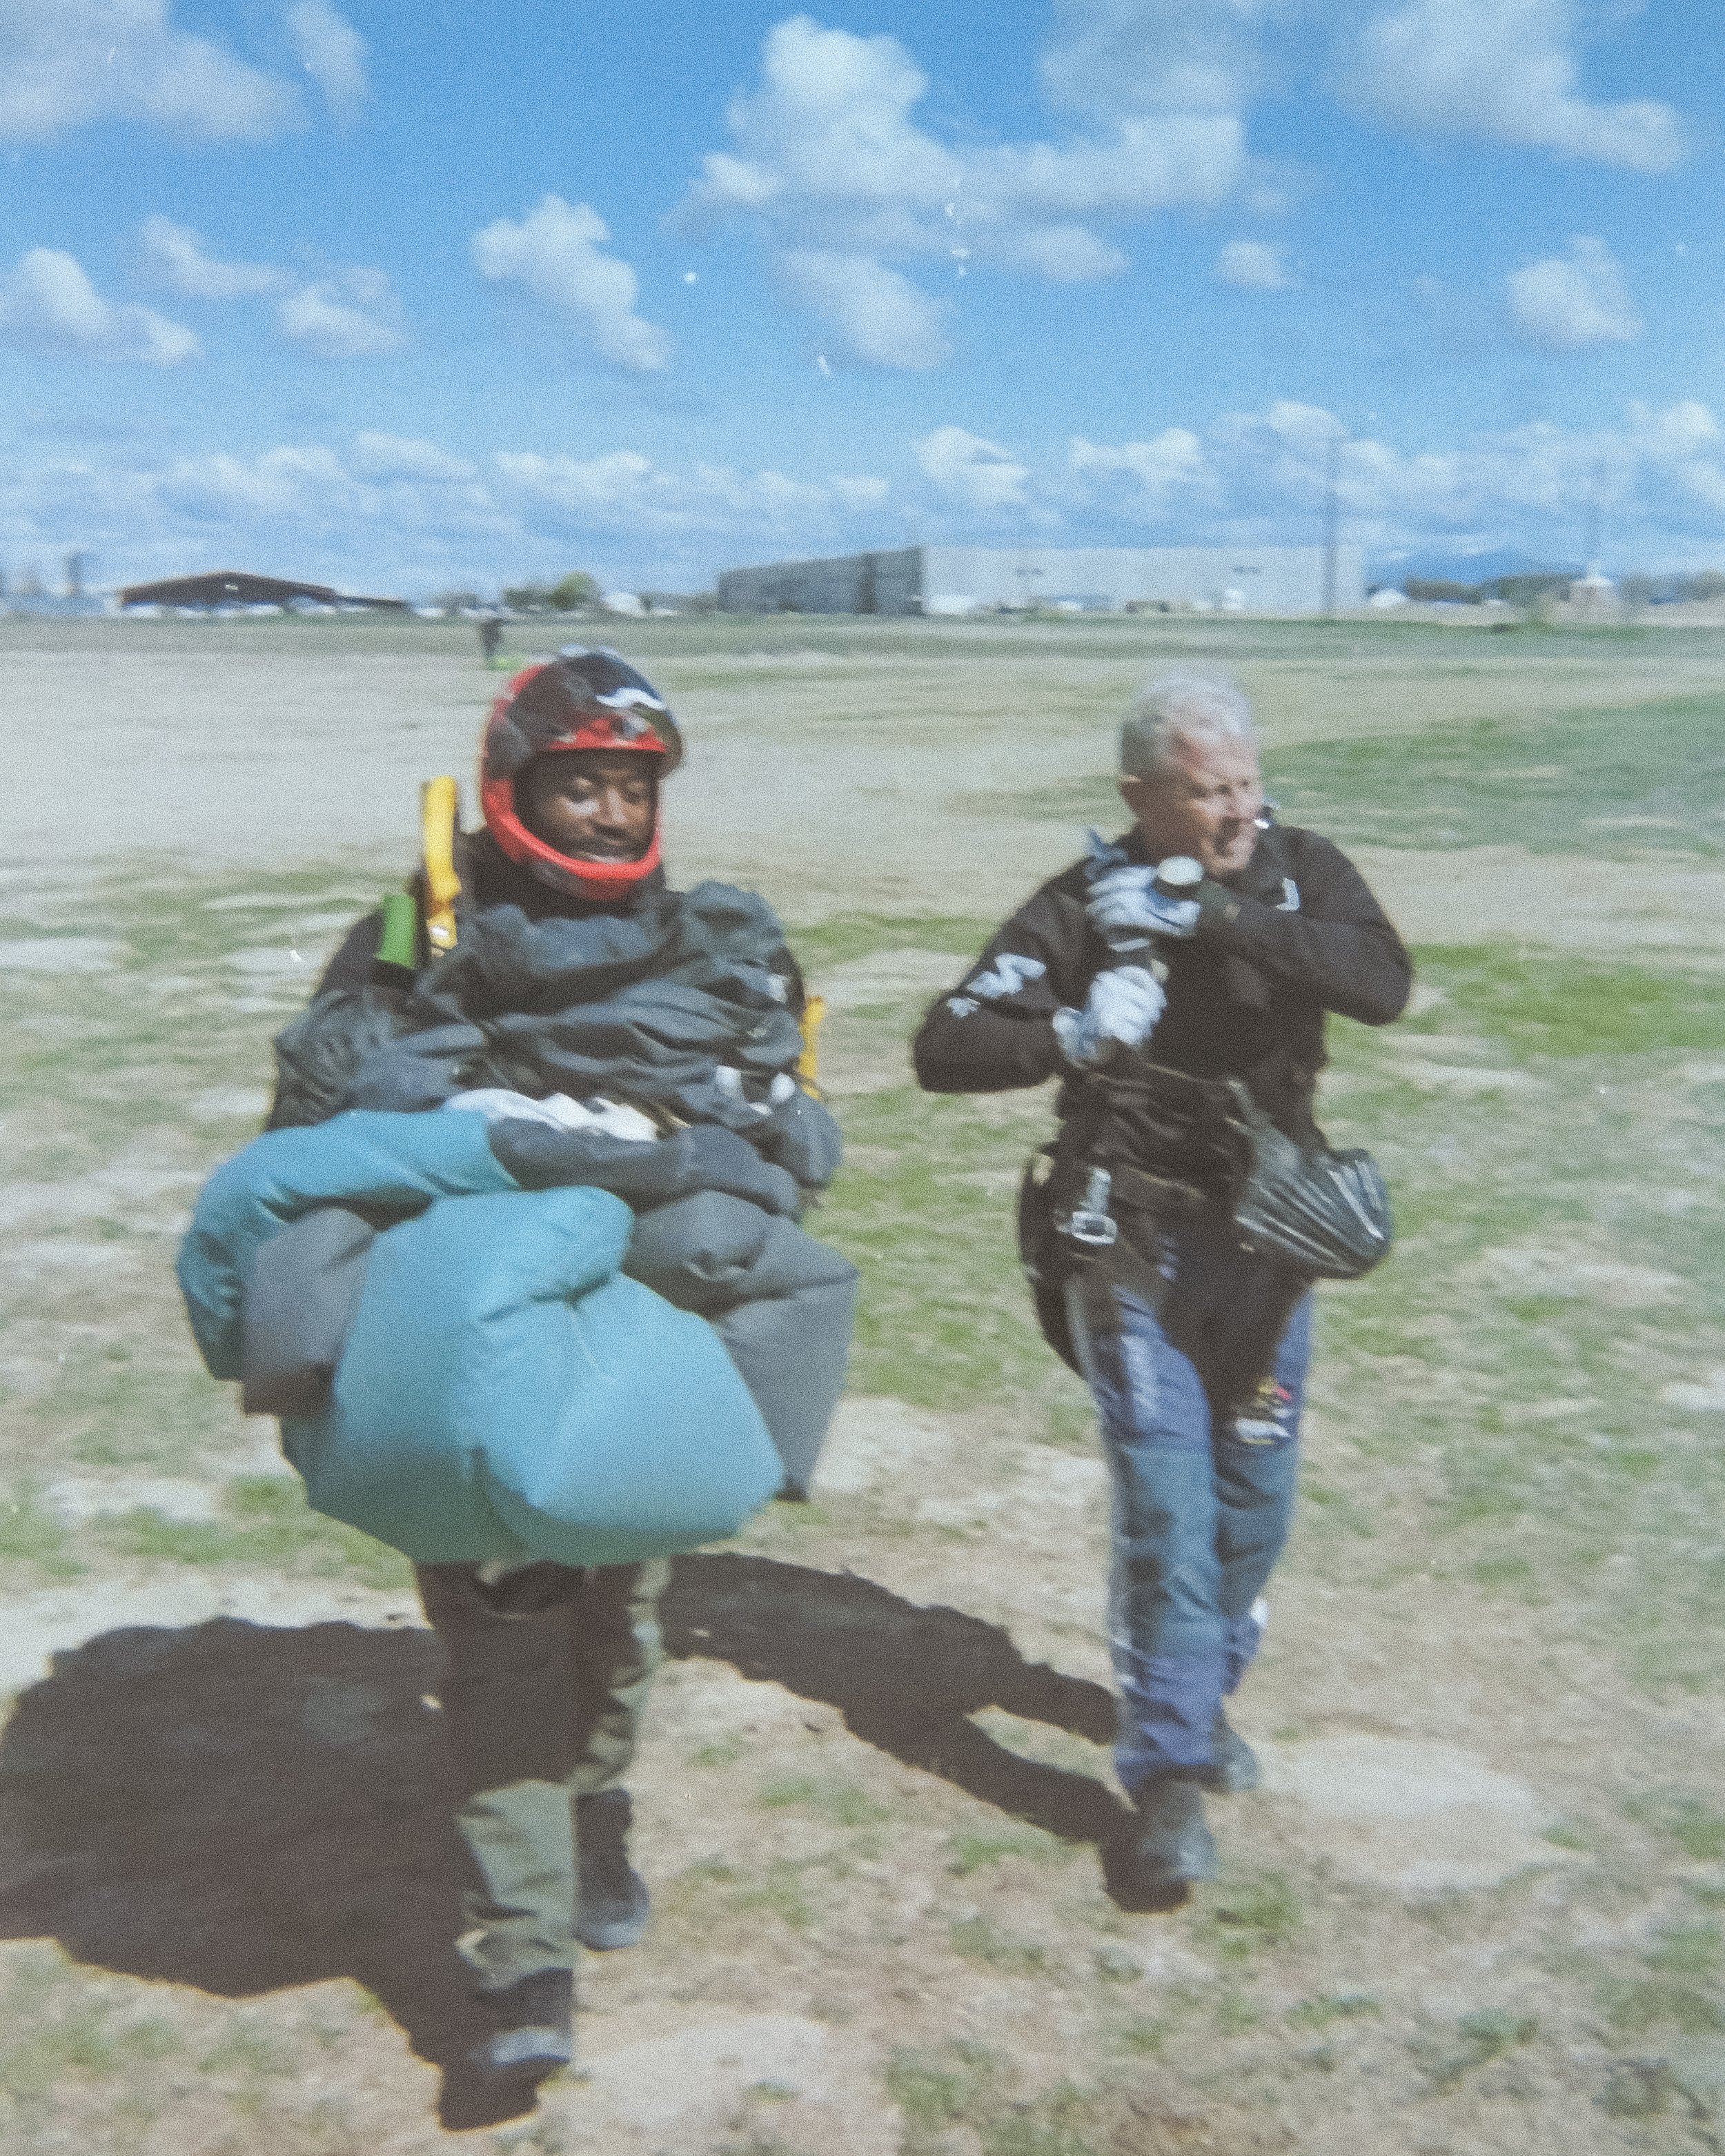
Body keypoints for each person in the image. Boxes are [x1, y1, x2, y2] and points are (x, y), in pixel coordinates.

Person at [266, 646, 847, 2097]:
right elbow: (310, 1114)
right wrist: (480, 1119)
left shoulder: (710, 947)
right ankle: (520, 1964)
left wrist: (702, 1145)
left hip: (636, 1336)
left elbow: (793, 1138)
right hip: (466, 1340)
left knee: (623, 1603)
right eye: (576, 784)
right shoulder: (420, 930)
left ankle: (594, 1809)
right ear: (516, 787)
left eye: (625, 788)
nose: (601, 815)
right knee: (503, 1622)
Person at [912, 666, 1410, 1902]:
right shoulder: (1084, 902)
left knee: (1255, 1502)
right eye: (1205, 794)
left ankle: (1198, 1684)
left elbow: (1382, 982)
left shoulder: (1301, 871)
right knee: (1166, 1497)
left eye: (1246, 783)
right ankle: (1172, 1771)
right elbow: (945, 1045)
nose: (1238, 812)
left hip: (1271, 1237)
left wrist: (1219, 918)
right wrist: (1069, 1038)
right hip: (1122, 1230)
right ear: (1140, 796)